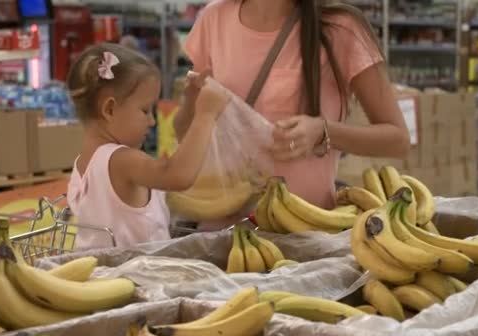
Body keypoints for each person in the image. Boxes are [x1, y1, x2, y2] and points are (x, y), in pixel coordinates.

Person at [174, 0, 410, 211]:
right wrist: (191, 104)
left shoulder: (341, 28)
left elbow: (398, 139)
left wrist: (323, 131)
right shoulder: (214, 18)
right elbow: (184, 132)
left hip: (304, 227)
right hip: (222, 224)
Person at [66, 43, 228, 249]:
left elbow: (181, 142)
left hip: (102, 276)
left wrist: (190, 101)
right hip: (133, 278)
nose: (152, 121)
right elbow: (177, 175)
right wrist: (206, 115)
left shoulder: (84, 162)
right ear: (109, 109)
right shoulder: (119, 160)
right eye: (145, 110)